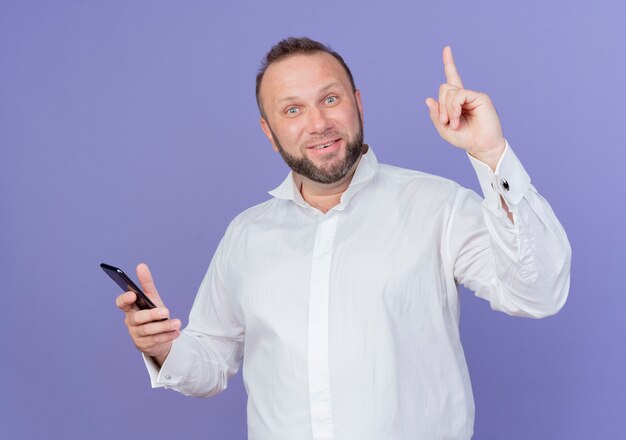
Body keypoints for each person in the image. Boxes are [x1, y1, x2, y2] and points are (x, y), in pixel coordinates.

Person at [116, 37, 570, 440]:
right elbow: (210, 364)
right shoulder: (246, 236)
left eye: (329, 99)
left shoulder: (437, 206)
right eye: (292, 109)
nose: (317, 123)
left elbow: (538, 293)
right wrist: (163, 348)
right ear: (269, 133)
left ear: (357, 103)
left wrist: (491, 154)